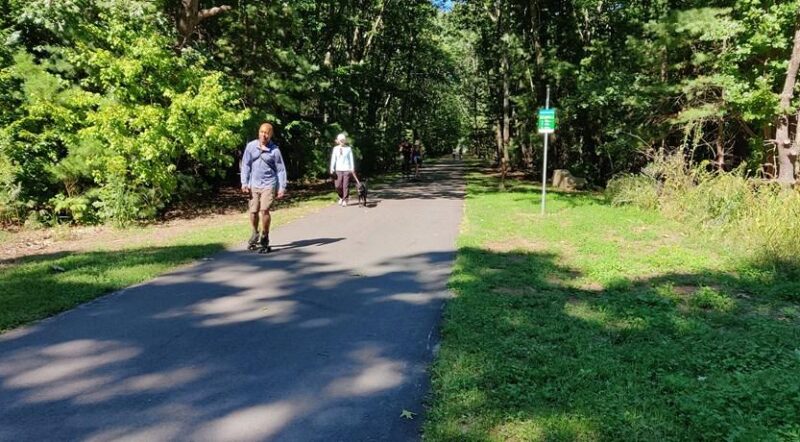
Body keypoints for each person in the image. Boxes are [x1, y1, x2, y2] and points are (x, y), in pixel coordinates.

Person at [240, 122, 287, 250]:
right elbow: (246, 165)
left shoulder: (275, 150)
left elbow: (281, 170)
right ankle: (255, 232)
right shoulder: (251, 147)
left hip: (268, 184)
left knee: (264, 210)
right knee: (253, 211)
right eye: (262, 132)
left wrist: (282, 187)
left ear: (271, 134)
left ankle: (265, 235)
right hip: (253, 184)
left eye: (267, 133)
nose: (264, 135)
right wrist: (244, 182)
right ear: (258, 132)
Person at [329, 132, 355, 206]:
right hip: (338, 169)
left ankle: (345, 200)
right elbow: (333, 159)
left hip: (347, 169)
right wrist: (331, 168)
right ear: (338, 141)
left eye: (343, 140)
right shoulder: (335, 149)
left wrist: (352, 168)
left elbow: (351, 159)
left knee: (345, 185)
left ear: (345, 140)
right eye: (340, 140)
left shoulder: (348, 148)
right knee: (338, 185)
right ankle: (341, 197)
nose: (342, 141)